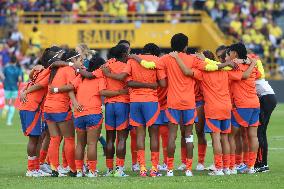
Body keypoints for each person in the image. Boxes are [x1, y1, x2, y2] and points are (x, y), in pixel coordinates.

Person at [102, 43, 166, 177]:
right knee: (154, 135)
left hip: (135, 101)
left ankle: (142, 168)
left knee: (140, 135)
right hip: (151, 101)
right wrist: (151, 85)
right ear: (154, 53)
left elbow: (128, 82)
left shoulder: (131, 61)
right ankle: (154, 169)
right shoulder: (157, 60)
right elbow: (163, 84)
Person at [37, 50, 81, 177]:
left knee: (54, 138)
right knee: (69, 139)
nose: (81, 62)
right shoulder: (69, 70)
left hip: (48, 108)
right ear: (73, 60)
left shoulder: (55, 69)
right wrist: (74, 101)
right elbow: (71, 87)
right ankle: (73, 169)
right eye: (79, 60)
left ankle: (54, 169)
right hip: (61, 108)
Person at [18, 48, 55, 177]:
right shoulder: (47, 72)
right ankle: (31, 170)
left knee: (38, 137)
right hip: (32, 107)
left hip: (29, 106)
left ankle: (35, 167)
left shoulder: (39, 69)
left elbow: (31, 78)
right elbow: (39, 85)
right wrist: (25, 92)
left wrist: (34, 68)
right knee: (34, 139)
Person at [228, 43, 261, 174]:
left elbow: (244, 76)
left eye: (230, 53)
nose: (229, 56)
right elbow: (257, 72)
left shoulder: (234, 66)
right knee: (252, 136)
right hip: (255, 104)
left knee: (230, 136)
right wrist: (250, 62)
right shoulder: (251, 65)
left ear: (235, 53)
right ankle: (251, 166)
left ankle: (232, 166)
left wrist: (246, 62)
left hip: (242, 105)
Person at [101, 45, 130, 177]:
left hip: (109, 104)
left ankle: (109, 170)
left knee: (110, 139)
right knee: (122, 138)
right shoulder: (127, 65)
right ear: (123, 54)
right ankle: (119, 170)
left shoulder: (107, 65)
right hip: (122, 103)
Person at [248, 54, 277, 172]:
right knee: (261, 132)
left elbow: (252, 59)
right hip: (268, 97)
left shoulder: (252, 69)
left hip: (266, 98)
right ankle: (262, 164)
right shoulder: (256, 70)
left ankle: (260, 164)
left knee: (259, 132)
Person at [1, 56, 23, 126]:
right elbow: (19, 79)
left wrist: (4, 80)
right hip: (14, 88)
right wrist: (19, 84)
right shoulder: (18, 69)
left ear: (10, 61)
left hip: (7, 88)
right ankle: (9, 121)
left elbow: (2, 75)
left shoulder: (6, 68)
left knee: (7, 103)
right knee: (13, 105)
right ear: (16, 62)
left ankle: (5, 109)